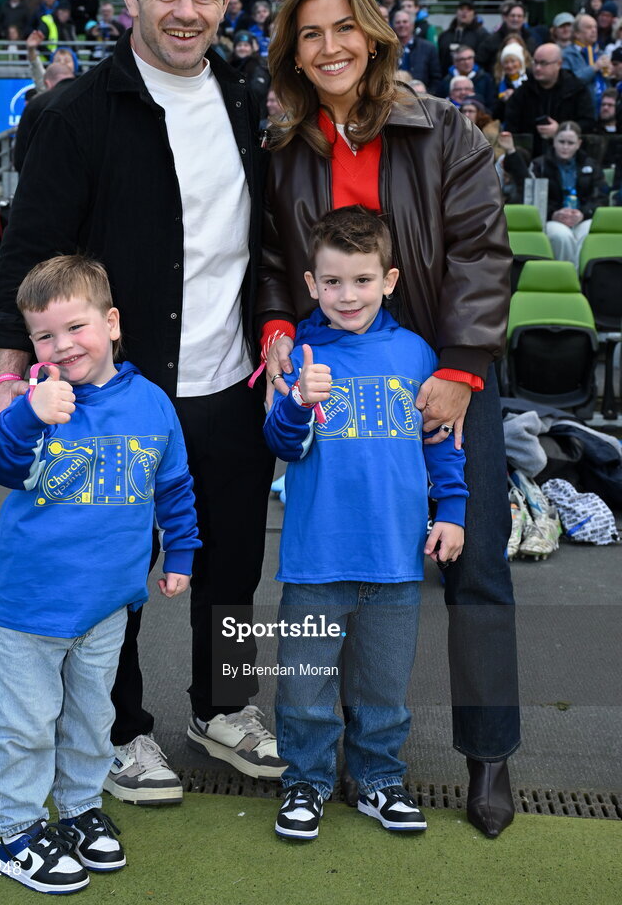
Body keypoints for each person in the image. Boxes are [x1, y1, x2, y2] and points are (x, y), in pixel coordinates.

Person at [0, 0, 283, 806]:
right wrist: (9, 379)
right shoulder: (75, 113)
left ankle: (225, 705)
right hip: (114, 396)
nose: (186, 10)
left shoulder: (246, 98)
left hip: (231, 388)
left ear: (226, 0)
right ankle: (118, 733)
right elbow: (29, 252)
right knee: (117, 571)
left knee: (229, 563)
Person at [259, 0, 519, 839]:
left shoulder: (441, 128)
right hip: (336, 373)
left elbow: (485, 249)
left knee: (472, 562)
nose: (329, 47)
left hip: (442, 371)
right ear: (293, 52)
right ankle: (313, 759)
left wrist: (458, 365)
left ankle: (490, 757)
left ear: (372, 34)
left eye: (344, 29)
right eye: (309, 34)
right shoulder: (287, 145)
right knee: (329, 579)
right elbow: (270, 261)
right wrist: (278, 336)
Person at [0, 255, 199, 894]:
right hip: (31, 607)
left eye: (75, 328)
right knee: (22, 723)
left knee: (90, 719)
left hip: (108, 608)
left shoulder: (153, 404)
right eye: (44, 336)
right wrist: (25, 411)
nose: (62, 345)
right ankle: (18, 832)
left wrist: (182, 555)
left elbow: (175, 488)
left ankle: (77, 809)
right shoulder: (34, 401)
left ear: (112, 322)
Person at [265, 207, 467, 841]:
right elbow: (281, 442)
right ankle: (305, 782)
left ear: (390, 280)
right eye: (331, 282)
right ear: (310, 281)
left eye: (360, 280)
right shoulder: (297, 352)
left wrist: (452, 512)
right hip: (315, 558)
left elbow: (439, 442)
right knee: (304, 684)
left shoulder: (416, 354)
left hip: (395, 558)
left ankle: (380, 780)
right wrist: (298, 402)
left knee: (383, 685)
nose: (345, 296)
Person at [531, 120, 609, 266]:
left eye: (570, 143)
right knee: (562, 236)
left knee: (587, 234)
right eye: (561, 141)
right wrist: (554, 213)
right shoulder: (539, 165)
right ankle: (567, 278)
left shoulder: (591, 165)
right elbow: (533, 199)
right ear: (554, 141)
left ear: (578, 144)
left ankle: (582, 280)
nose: (565, 147)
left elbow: (601, 198)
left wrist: (583, 213)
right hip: (552, 218)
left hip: (583, 217)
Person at [504, 42, 595, 157]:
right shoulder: (522, 92)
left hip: (569, 157)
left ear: (559, 64)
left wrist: (561, 130)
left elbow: (588, 122)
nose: (537, 68)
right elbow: (512, 127)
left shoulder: (576, 90)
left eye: (543, 63)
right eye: (535, 62)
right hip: (530, 156)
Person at [13, 60, 76, 171]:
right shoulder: (93, 98)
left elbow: (21, 156)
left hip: (48, 176)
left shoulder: (35, 105)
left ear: (47, 83)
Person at [562, 14, 611, 113]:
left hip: (603, 110)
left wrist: (612, 73)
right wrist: (594, 68)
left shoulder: (601, 53)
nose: (594, 30)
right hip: (580, 110)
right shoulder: (567, 55)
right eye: (589, 27)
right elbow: (570, 82)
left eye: (595, 27)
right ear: (577, 33)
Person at [393, 10, 441, 90]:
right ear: (393, 26)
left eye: (405, 22)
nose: (401, 25)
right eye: (398, 22)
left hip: (422, 98)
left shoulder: (428, 48)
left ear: (412, 25)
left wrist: (427, 97)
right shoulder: (386, 49)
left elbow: (436, 78)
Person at [437, 0, 488, 74]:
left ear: (474, 14)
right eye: (461, 9)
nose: (464, 12)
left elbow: (483, 60)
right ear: (456, 12)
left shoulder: (482, 35)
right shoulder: (444, 36)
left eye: (468, 10)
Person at [437, 45, 495, 111]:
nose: (467, 62)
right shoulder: (446, 81)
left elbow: (491, 105)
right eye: (462, 59)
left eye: (470, 58)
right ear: (455, 62)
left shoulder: (485, 79)